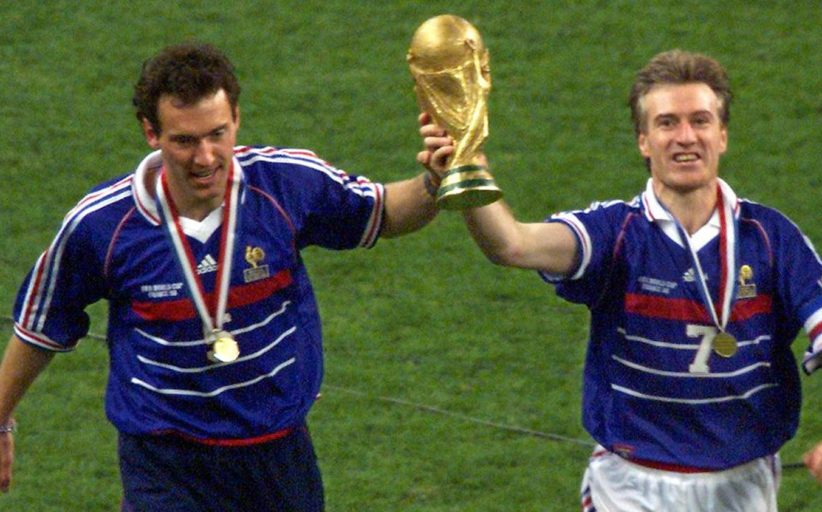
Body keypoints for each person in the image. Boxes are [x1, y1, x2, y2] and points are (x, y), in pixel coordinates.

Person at [0, 43, 444, 511]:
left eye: (218, 134)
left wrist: (436, 183)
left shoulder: (284, 183)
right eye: (184, 141)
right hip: (165, 459)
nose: (205, 157)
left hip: (277, 450)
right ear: (151, 133)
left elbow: (384, 212)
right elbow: (42, 324)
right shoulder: (103, 225)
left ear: (236, 118)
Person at [418, 49, 822, 511]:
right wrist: (467, 169)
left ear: (723, 135)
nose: (685, 137)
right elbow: (512, 245)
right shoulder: (617, 233)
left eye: (700, 121)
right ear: (644, 141)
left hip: (743, 486)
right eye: (667, 123)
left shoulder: (771, 238)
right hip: (630, 487)